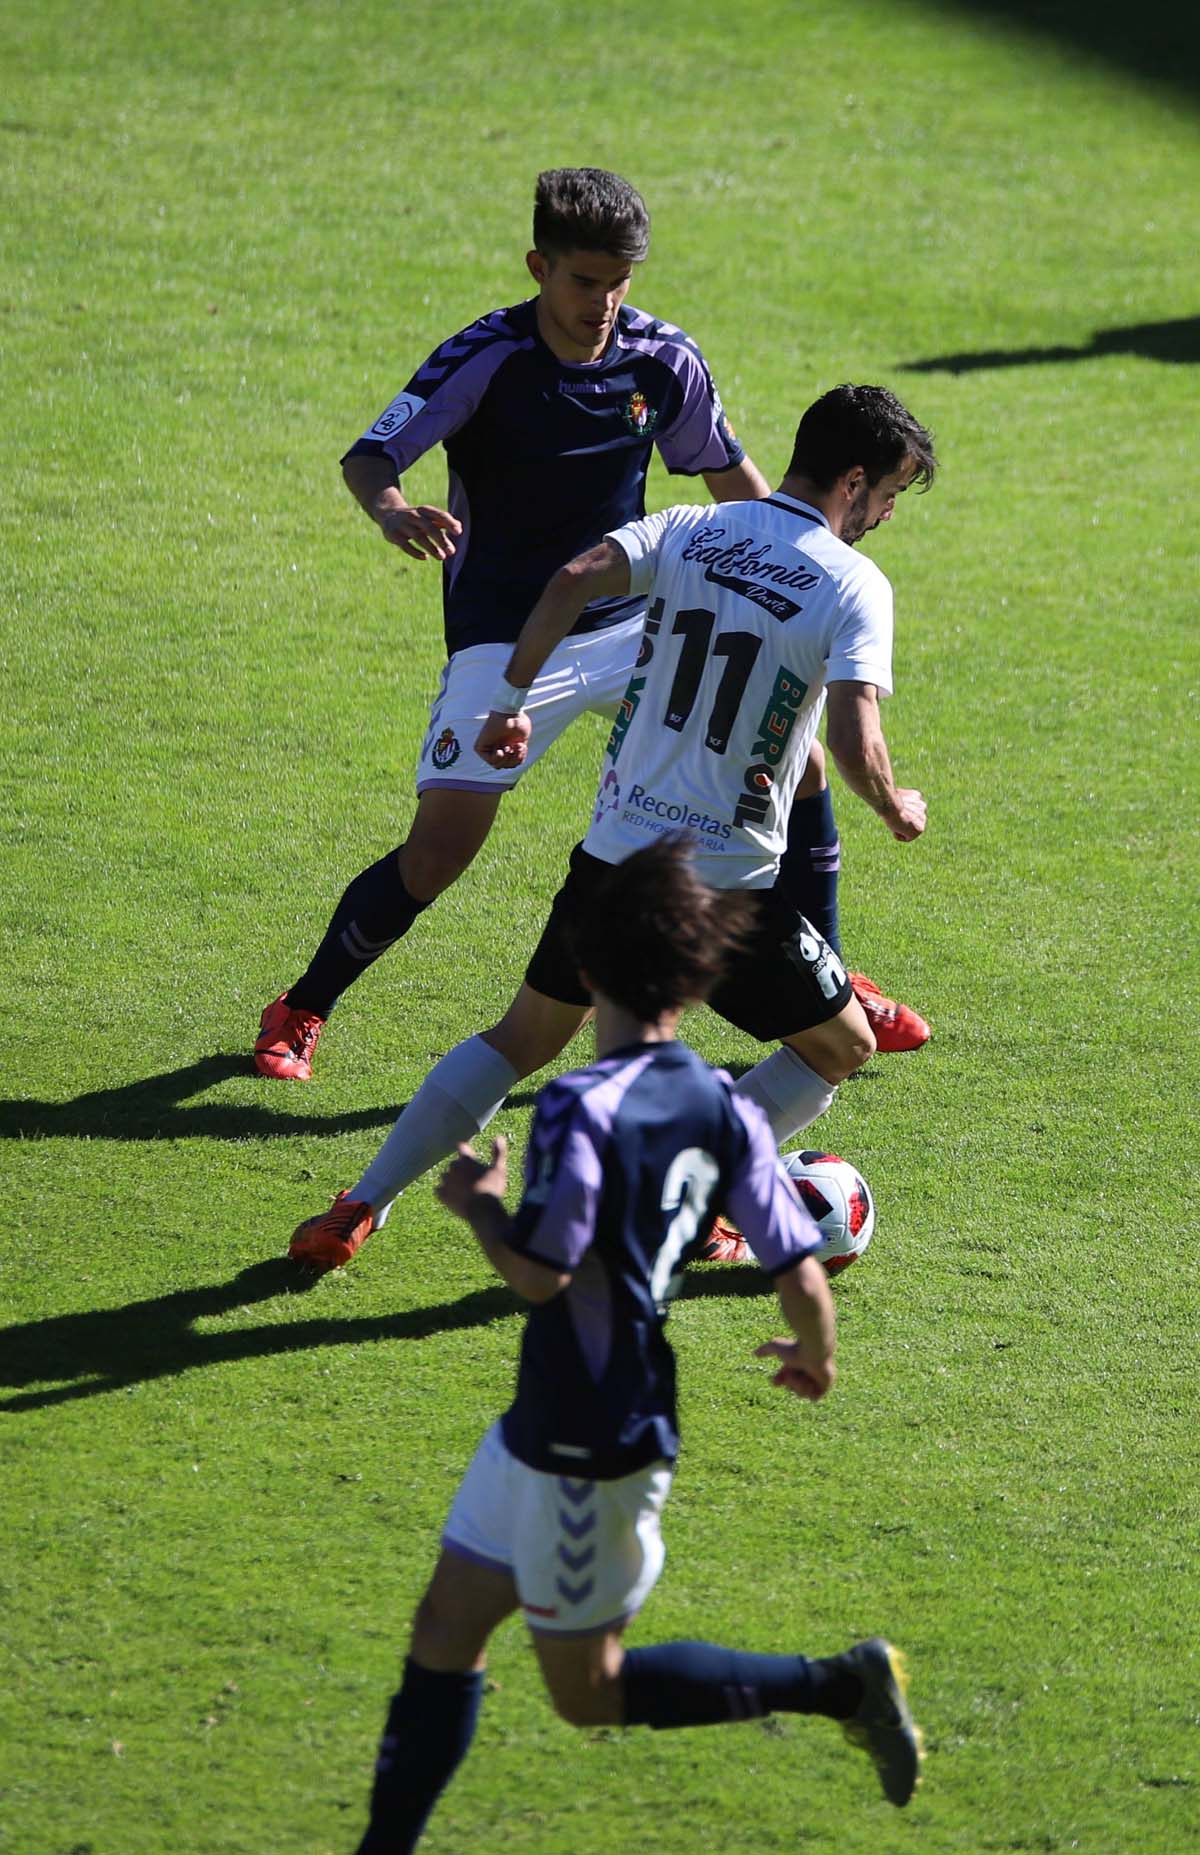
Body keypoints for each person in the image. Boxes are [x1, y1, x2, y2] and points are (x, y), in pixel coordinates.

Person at [254, 167, 926, 1083]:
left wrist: (803, 567)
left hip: (634, 627)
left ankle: (833, 974)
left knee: (798, 758)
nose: (602, 303)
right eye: (582, 280)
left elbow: (736, 486)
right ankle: (304, 1004)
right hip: (507, 635)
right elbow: (370, 456)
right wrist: (392, 510)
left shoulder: (662, 360)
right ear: (540, 267)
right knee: (441, 849)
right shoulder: (486, 357)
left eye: (619, 282)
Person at [349, 838, 922, 1852]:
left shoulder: (579, 1107)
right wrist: (813, 1351)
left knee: (590, 1690)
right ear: (697, 987)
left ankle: (841, 1686)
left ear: (586, 967)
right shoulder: (723, 1103)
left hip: (594, 1438)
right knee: (445, 1626)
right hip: (554, 1415)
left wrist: (479, 1207)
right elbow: (796, 1262)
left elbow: (542, 1274)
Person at [288, 383, 936, 1273]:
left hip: (615, 859)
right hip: (724, 888)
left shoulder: (692, 527)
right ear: (853, 481)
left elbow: (574, 578)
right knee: (842, 1046)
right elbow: (856, 741)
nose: (887, 514)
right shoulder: (854, 582)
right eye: (889, 493)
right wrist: (896, 805)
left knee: (520, 1039)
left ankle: (361, 1202)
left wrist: (510, 699)